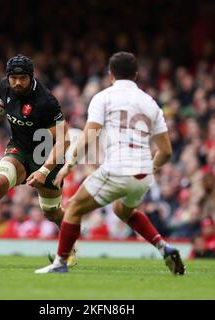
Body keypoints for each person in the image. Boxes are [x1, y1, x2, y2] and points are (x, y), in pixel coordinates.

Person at [35, 52, 185, 275]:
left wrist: (68, 166)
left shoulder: (103, 97)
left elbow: (88, 136)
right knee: (122, 209)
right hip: (143, 175)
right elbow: (166, 151)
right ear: (135, 74)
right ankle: (164, 248)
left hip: (118, 169)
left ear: (110, 75)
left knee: (74, 207)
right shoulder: (150, 102)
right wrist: (149, 169)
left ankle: (60, 263)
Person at [0, 54, 76, 265]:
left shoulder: (46, 101)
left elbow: (64, 140)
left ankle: (69, 248)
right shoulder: (4, 87)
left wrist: (44, 170)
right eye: (13, 78)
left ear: (31, 77)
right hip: (18, 149)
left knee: (51, 212)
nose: (17, 82)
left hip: (45, 155)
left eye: (22, 78)